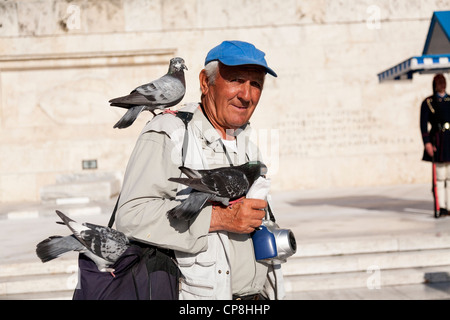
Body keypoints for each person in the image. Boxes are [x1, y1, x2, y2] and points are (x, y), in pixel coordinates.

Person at [115, 40, 284, 299]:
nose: (247, 95)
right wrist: (220, 218)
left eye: (256, 84)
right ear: (205, 83)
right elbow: (131, 216)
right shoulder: (169, 133)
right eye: (237, 80)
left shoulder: (247, 145)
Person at [420, 73, 450, 217]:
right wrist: (427, 144)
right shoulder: (429, 102)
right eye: (439, 83)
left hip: (449, 139)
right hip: (438, 139)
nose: (442, 85)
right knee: (440, 176)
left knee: (449, 176)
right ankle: (441, 207)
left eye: (443, 82)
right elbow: (423, 125)